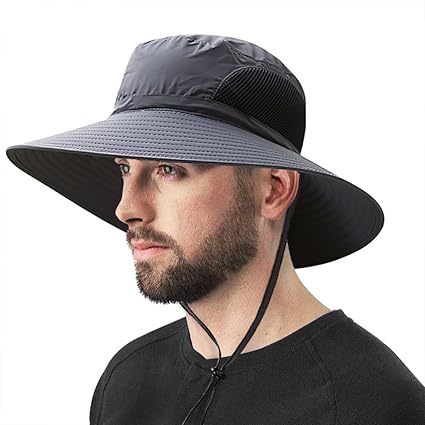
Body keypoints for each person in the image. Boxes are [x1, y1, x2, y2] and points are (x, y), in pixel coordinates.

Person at [5, 34, 425, 425]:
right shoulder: (128, 381)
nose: (126, 209)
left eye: (169, 169)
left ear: (274, 190)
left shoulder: (373, 404)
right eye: (125, 168)